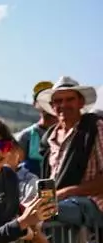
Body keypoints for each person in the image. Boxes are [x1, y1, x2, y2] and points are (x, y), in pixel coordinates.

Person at [37, 76, 103, 229]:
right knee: (38, 212)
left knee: (44, 212)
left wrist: (67, 192)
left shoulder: (95, 128)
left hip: (93, 206)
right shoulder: (49, 139)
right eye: (58, 101)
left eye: (69, 99)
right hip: (60, 207)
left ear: (81, 103)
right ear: (52, 107)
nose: (63, 105)